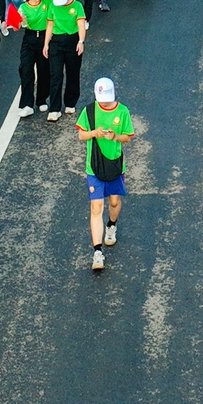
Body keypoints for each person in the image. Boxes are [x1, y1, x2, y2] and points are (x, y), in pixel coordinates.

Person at [78, 78, 135, 274]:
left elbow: (127, 137)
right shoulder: (89, 111)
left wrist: (114, 137)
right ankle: (97, 252)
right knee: (96, 207)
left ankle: (111, 225)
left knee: (114, 202)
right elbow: (82, 135)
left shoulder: (123, 111)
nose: (104, 103)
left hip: (115, 165)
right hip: (94, 167)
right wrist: (95, 133)